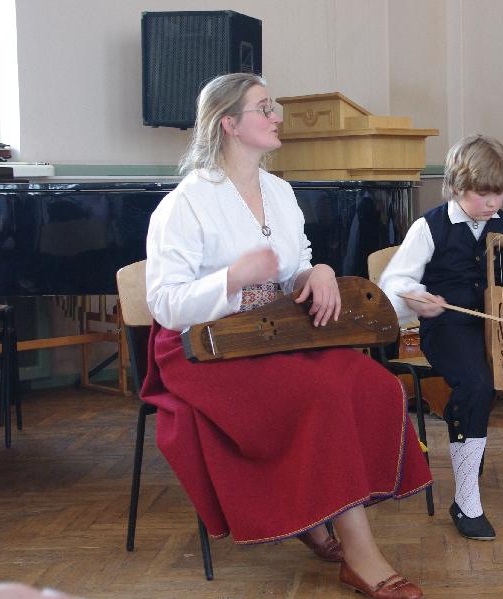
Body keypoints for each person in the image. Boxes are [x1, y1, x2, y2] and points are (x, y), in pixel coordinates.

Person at [143, 73, 430, 599]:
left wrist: (314, 274)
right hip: (203, 347)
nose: (277, 116)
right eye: (264, 108)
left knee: (376, 386)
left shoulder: (279, 190)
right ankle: (361, 557)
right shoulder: (184, 205)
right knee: (319, 397)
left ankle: (319, 514)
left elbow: (295, 265)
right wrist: (232, 279)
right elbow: (165, 304)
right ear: (229, 123)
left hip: (274, 332)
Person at [378, 135, 503, 541]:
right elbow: (393, 283)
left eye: (500, 194)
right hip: (449, 329)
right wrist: (418, 299)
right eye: (484, 194)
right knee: (474, 386)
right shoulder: (429, 226)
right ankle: (466, 500)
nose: (494, 203)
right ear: (457, 186)